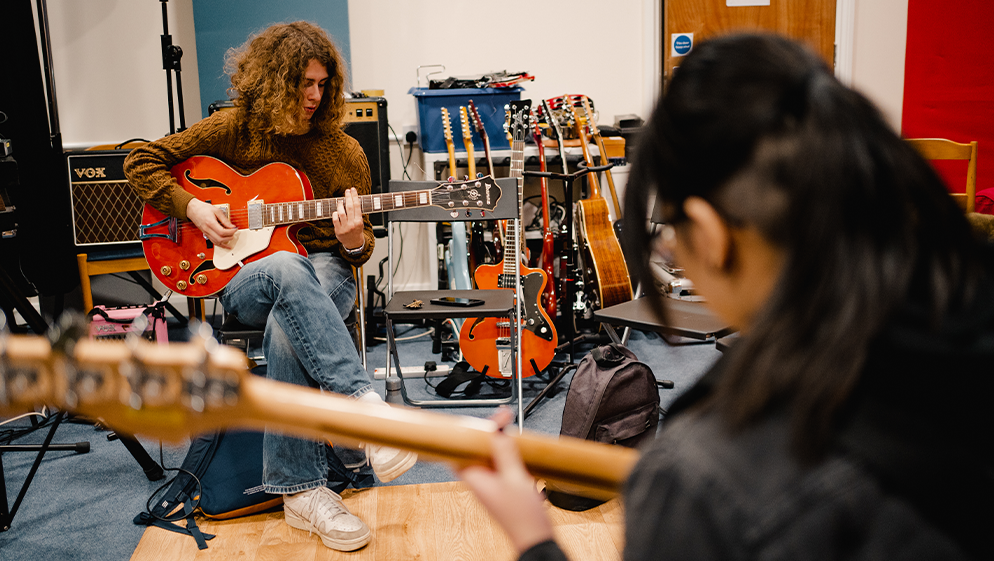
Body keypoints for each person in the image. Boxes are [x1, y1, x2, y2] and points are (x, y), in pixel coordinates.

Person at [459, 33, 993, 560]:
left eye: (667, 233)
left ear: (710, 234)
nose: (669, 249)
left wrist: (533, 540)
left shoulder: (706, 482)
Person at [124, 21, 416, 552]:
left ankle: (301, 493)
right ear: (273, 80)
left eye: (323, 84)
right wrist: (193, 207)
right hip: (242, 275)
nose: (314, 95)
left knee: (292, 313)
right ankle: (365, 411)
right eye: (303, 83)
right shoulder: (236, 129)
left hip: (327, 271)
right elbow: (140, 160)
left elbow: (360, 249)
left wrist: (352, 239)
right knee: (284, 269)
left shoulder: (344, 152)